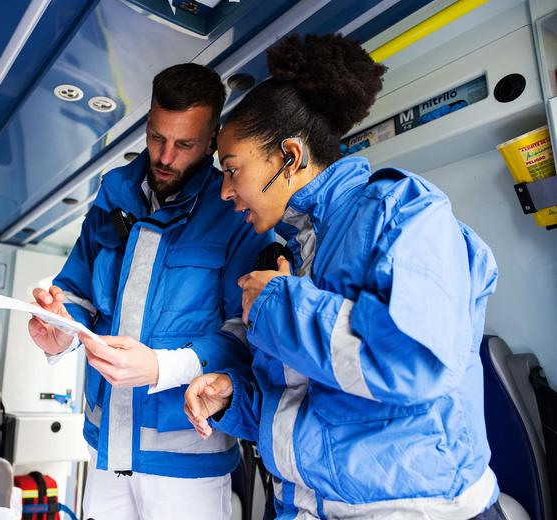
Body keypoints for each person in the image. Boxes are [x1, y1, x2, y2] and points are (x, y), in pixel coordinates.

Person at [184, 34, 502, 519]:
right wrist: (235, 398)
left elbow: (413, 363)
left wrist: (278, 307)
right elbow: (314, 404)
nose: (226, 192)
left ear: (289, 156)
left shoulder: (402, 212)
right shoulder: (294, 253)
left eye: (232, 169)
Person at [28, 63, 272, 519]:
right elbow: (75, 293)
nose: (165, 156)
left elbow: (246, 331)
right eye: (158, 137)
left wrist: (162, 367)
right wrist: (59, 331)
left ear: (213, 139)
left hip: (188, 458)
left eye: (185, 144)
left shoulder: (235, 211)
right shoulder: (112, 194)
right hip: (105, 448)